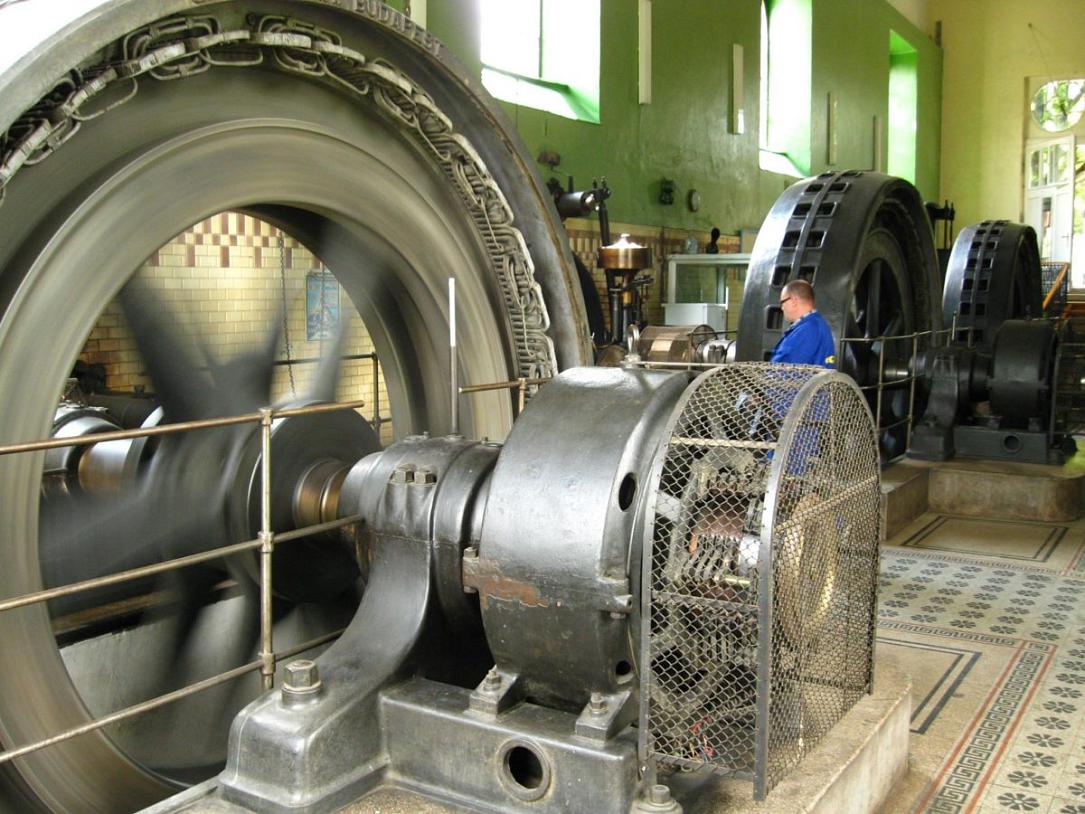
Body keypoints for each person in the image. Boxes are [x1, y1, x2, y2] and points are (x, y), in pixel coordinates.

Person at [770, 280, 835, 368]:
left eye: (782, 302)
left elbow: (788, 371)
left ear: (794, 301)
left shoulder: (808, 330)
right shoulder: (814, 325)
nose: (782, 308)